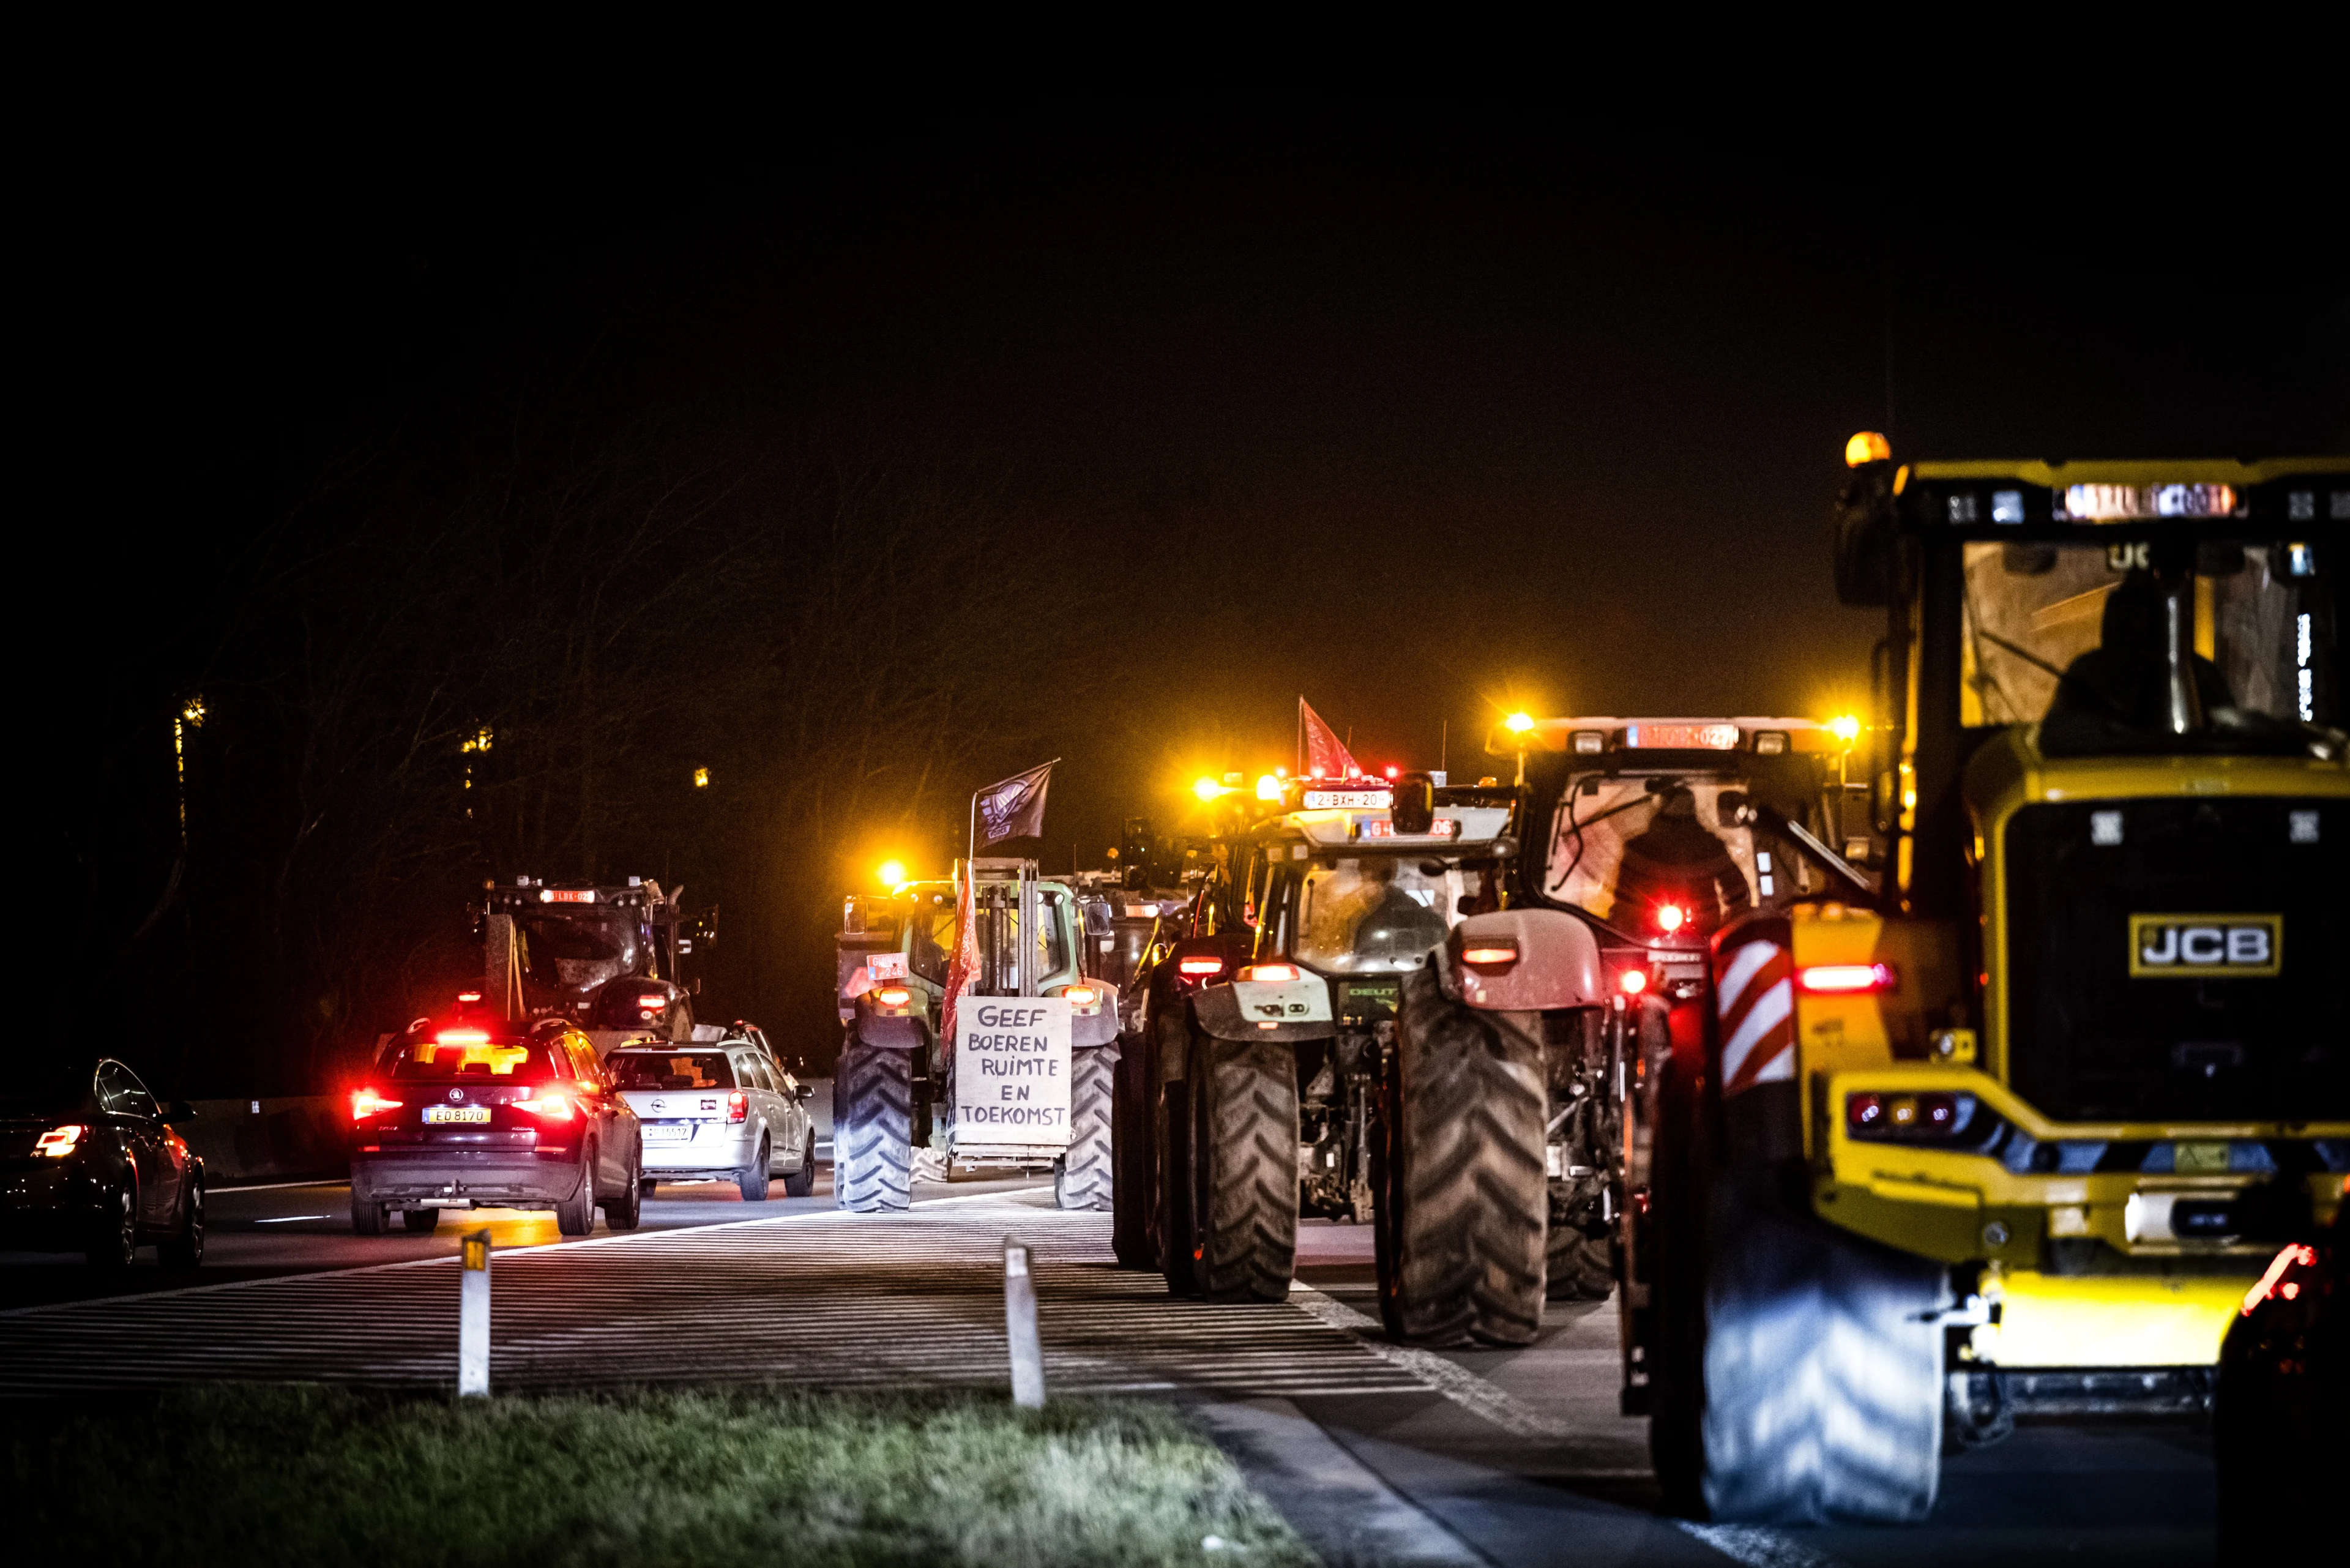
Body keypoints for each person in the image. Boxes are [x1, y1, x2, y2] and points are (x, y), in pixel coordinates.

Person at [2048, 569, 2232, 731]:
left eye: (2141, 615)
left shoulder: (2085, 672)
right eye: (2129, 614)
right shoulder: (2199, 673)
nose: (2135, 625)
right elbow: (2057, 736)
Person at [1611, 786, 1751, 936]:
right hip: (1681, 931)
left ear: (1660, 807)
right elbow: (1736, 891)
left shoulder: (1639, 847)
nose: (1679, 815)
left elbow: (1736, 890)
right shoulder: (1710, 845)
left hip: (1670, 932)